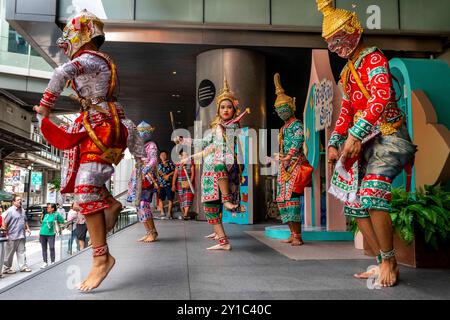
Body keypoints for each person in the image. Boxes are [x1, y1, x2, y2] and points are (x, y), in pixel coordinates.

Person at [33, 9, 144, 291]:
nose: (66, 42)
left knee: (85, 189)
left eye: (69, 36)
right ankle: (112, 203)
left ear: (80, 35)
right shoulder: (96, 60)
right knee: (87, 184)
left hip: (103, 126)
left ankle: (101, 259)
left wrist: (46, 105)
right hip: (100, 123)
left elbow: (61, 72)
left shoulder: (90, 58)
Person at [317, 0, 417, 287]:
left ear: (353, 30)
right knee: (355, 203)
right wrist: (335, 142)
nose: (335, 45)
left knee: (372, 192)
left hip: (390, 136)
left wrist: (355, 135)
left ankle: (389, 260)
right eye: (330, 42)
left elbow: (380, 97)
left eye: (338, 38)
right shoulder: (348, 72)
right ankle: (382, 261)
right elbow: (346, 110)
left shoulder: (374, 59)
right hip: (365, 141)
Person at [176, 78, 246, 250]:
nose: (226, 110)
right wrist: (185, 141)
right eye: (223, 107)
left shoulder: (232, 125)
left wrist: (225, 127)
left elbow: (225, 142)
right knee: (210, 206)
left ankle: (228, 201)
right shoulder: (217, 128)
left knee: (215, 201)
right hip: (210, 172)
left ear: (234, 109)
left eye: (229, 107)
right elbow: (204, 144)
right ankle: (222, 240)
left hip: (223, 164)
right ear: (218, 110)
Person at [271, 73, 308, 246]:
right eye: (279, 110)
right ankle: (292, 233)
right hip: (284, 166)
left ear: (292, 106)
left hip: (294, 164)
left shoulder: (297, 125)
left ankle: (298, 236)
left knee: (292, 199)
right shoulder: (283, 128)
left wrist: (288, 156)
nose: (281, 112)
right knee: (282, 200)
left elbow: (298, 140)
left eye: (284, 109)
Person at [127, 121, 160, 242]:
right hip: (138, 176)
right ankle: (149, 232)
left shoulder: (151, 145)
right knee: (139, 206)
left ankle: (153, 232)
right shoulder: (138, 146)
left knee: (143, 204)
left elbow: (154, 160)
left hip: (147, 177)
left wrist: (145, 170)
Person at [2, 195, 32, 274]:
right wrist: (5, 234)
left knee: (22, 252)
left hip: (21, 235)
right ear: (13, 202)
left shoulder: (22, 210)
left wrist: (27, 228)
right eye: (18, 200)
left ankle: (23, 267)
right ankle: (6, 268)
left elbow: (25, 220)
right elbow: (4, 223)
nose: (20, 201)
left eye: (20, 200)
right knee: (9, 254)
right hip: (12, 236)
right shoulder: (10, 211)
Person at [39, 203, 65, 268]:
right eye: (47, 207)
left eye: (49, 207)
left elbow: (62, 221)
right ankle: (45, 262)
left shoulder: (56, 215)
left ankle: (53, 261)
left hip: (51, 234)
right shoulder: (46, 215)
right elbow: (42, 225)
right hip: (42, 234)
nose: (47, 208)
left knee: (51, 247)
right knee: (44, 248)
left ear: (53, 208)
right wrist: (39, 233)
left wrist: (59, 226)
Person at [172, 149, 195, 220]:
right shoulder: (178, 164)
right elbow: (175, 174)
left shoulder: (190, 163)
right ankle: (185, 213)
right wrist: (173, 184)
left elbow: (193, 174)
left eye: (187, 155)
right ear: (181, 156)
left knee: (188, 197)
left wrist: (190, 183)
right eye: (184, 155)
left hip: (188, 182)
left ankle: (185, 214)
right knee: (182, 199)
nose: (186, 156)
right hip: (180, 183)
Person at [157, 150, 176, 219]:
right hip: (161, 185)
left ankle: (169, 213)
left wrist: (168, 175)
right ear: (160, 156)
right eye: (162, 155)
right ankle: (162, 213)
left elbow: (175, 171)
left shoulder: (170, 163)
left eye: (164, 155)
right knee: (160, 199)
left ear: (166, 156)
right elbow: (158, 173)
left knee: (170, 199)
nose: (163, 156)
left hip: (169, 184)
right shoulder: (159, 164)